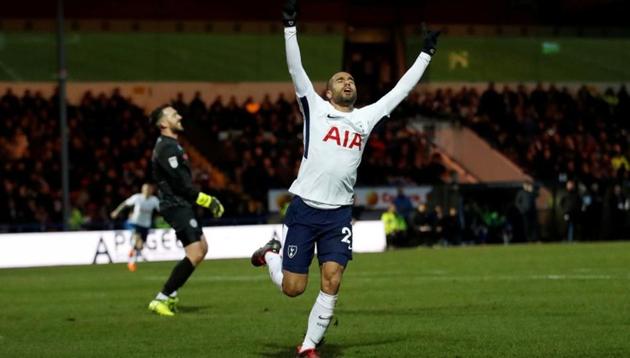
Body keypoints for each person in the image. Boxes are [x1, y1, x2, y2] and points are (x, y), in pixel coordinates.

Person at [250, 0, 439, 355]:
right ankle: (271, 255)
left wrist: (426, 53)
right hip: (305, 209)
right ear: (327, 91)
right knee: (293, 288)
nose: (347, 82)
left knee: (332, 279)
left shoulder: (365, 119)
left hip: (338, 214)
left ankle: (308, 347)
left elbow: (401, 91)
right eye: (340, 80)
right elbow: (296, 68)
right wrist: (290, 26)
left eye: (351, 80)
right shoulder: (314, 106)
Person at [147, 105, 225, 316]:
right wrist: (208, 200)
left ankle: (170, 296)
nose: (179, 116)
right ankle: (162, 297)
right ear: (163, 124)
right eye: (173, 115)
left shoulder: (171, 145)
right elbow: (181, 184)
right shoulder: (166, 148)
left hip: (181, 203)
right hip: (175, 204)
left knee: (202, 247)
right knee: (195, 251)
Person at [110, 183, 160, 272]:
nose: (147, 191)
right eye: (145, 189)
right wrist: (116, 211)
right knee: (137, 239)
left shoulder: (154, 200)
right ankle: (132, 262)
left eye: (149, 189)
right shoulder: (137, 198)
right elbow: (125, 204)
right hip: (135, 223)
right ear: (142, 190)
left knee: (140, 246)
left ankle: (131, 256)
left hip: (146, 225)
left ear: (151, 191)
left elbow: (161, 209)